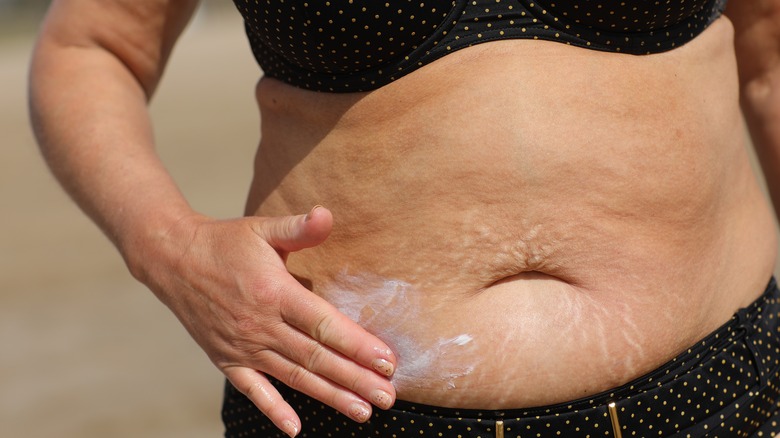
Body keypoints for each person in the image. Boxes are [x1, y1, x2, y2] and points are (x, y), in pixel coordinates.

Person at [28, 0, 780, 436]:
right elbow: (90, 46)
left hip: (720, 389)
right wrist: (170, 249)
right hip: (349, 408)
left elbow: (770, 53)